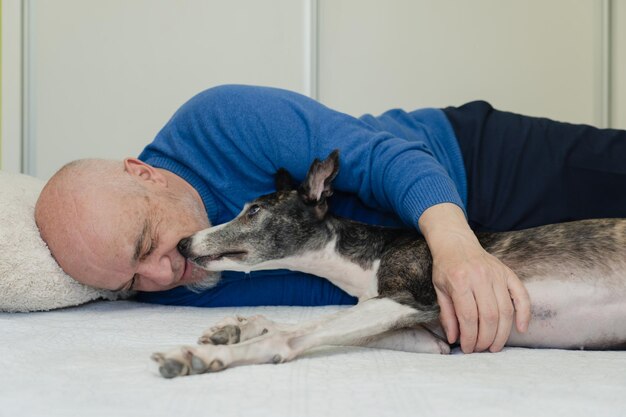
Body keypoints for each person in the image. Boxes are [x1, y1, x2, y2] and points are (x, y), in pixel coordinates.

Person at [35, 84, 626, 354]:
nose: (161, 275)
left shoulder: (217, 122)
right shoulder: (166, 285)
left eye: (146, 243)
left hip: (475, 170)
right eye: (130, 282)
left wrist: (459, 249)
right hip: (421, 275)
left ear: (144, 173)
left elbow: (381, 157)